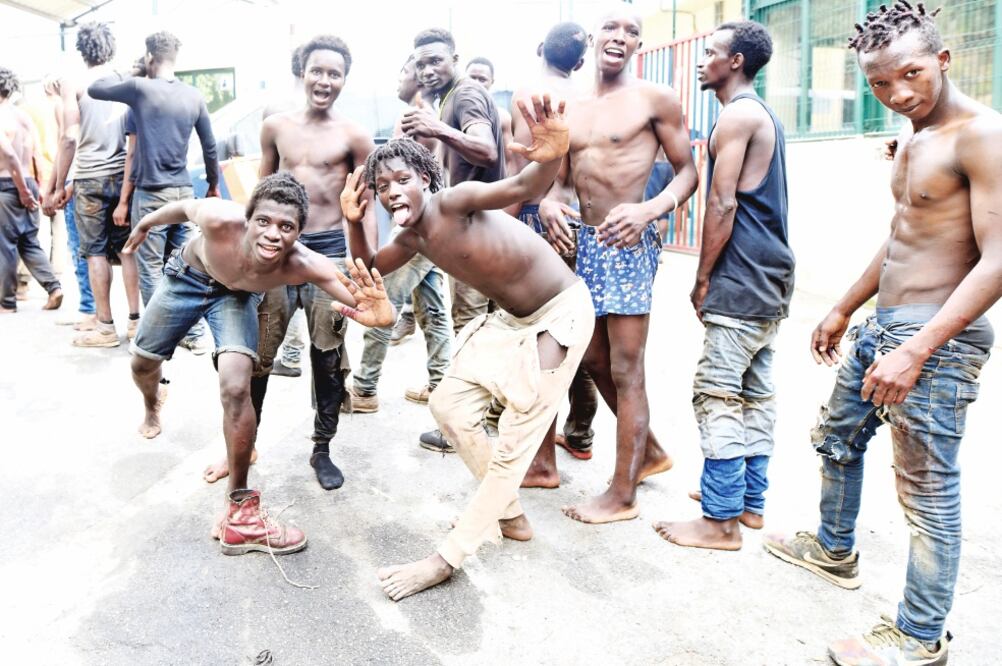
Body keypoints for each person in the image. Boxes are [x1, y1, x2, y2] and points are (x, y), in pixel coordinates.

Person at [763, 4, 1001, 664]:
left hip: (935, 341)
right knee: (835, 437)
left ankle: (920, 637)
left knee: (928, 495)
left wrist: (918, 350)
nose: (897, 93)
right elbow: (905, 238)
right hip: (887, 326)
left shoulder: (982, 135)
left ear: (944, 61)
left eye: (912, 75)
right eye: (878, 84)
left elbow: (999, 256)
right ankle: (834, 548)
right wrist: (843, 307)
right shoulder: (917, 136)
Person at [342, 96, 592, 601]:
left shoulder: (455, 201)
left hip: (561, 314)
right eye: (381, 186)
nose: (392, 192)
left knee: (515, 440)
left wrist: (552, 154)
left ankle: (447, 557)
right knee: (447, 406)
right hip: (509, 319)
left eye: (402, 180)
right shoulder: (412, 238)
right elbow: (368, 267)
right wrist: (352, 220)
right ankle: (510, 516)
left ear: (427, 179)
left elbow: (524, 186)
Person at [123, 172, 394, 555]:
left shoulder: (303, 263)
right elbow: (182, 207)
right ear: (247, 219)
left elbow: (360, 300)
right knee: (141, 363)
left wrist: (382, 313)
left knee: (236, 385)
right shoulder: (218, 217)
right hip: (187, 278)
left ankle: (240, 510)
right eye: (263, 221)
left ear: (298, 233)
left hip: (236, 299)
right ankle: (154, 403)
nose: (272, 234)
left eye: (287, 227)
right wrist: (145, 224)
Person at [203, 35, 378, 491]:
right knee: (259, 355)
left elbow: (365, 205)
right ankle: (245, 444)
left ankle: (322, 449)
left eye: (334, 73)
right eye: (317, 71)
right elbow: (261, 192)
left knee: (326, 355)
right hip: (277, 255)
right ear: (302, 72)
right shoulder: (275, 126)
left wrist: (367, 266)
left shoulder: (355, 136)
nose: (325, 80)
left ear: (344, 79)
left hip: (330, 254)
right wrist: (245, 252)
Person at [549, 5, 698, 522]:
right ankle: (650, 452)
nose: (621, 37)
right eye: (612, 28)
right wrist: (551, 201)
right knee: (590, 359)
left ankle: (621, 495)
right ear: (594, 38)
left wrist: (651, 209)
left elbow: (688, 172)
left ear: (638, 45)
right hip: (582, 244)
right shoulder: (572, 105)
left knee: (626, 367)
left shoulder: (654, 99)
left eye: (632, 31)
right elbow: (563, 179)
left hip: (628, 245)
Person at [651, 21, 794, 551]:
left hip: (743, 273)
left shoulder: (736, 116)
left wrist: (703, 275)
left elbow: (723, 202)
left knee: (716, 394)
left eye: (710, 52)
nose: (701, 60)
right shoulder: (764, 115)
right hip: (773, 273)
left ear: (735, 61)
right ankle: (747, 504)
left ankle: (720, 521)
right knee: (755, 392)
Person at [403, 27, 507, 453]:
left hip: (475, 232)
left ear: (455, 58)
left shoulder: (463, 95)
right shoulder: (448, 97)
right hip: (474, 229)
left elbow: (486, 151)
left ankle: (463, 427)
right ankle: (491, 417)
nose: (427, 70)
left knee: (469, 329)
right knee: (489, 327)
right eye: (420, 63)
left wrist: (436, 128)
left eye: (435, 61)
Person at [88, 30, 220, 354]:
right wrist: (214, 184)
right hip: (184, 194)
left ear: (149, 57)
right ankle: (194, 333)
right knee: (189, 262)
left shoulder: (139, 88)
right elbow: (210, 146)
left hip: (151, 195)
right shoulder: (193, 96)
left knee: (149, 266)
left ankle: (158, 336)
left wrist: (132, 72)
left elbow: (95, 88)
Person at [509, 22, 600, 478]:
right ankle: (580, 432)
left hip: (533, 221)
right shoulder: (589, 100)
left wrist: (499, 232)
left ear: (539, 47)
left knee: (536, 341)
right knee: (571, 331)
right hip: (574, 222)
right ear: (581, 62)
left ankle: (540, 461)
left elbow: (515, 175)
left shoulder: (525, 94)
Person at [348, 54, 453, 416]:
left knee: (383, 299)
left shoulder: (417, 114)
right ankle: (441, 385)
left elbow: (415, 172)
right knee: (434, 309)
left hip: (418, 225)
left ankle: (363, 386)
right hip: (425, 221)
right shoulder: (421, 111)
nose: (399, 80)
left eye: (402, 72)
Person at [45, 22, 140, 347]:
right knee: (128, 250)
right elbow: (135, 139)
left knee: (95, 253)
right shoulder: (125, 82)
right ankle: (134, 322)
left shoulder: (75, 83)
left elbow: (69, 137)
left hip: (89, 179)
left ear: (82, 50)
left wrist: (58, 184)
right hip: (123, 177)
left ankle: (105, 328)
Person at [0, 67, 62, 314]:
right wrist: (39, 187)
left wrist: (24, 190)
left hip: (9, 184)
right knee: (28, 241)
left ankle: (6, 303)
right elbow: (35, 152)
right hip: (29, 179)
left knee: (5, 245)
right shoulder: (22, 116)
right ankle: (54, 287)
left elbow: (10, 156)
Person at [265, 45, 307, 379]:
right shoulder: (323, 109)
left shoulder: (276, 107)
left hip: (284, 212)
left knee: (285, 286)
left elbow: (266, 172)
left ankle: (291, 356)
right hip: (319, 216)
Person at [464, 57, 513, 176]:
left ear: (492, 82)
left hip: (491, 188)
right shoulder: (452, 111)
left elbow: (509, 161)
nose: (476, 83)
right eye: (472, 77)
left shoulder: (502, 117)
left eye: (482, 79)